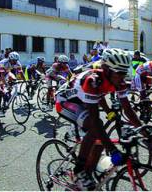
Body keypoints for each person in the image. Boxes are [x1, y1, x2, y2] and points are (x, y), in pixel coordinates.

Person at [55, 48, 141, 190]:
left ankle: (87, 174)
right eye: (119, 73)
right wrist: (113, 151)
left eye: (124, 72)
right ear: (106, 69)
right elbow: (94, 121)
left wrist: (144, 130)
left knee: (100, 141)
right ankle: (79, 170)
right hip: (65, 102)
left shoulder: (118, 81)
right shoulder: (92, 81)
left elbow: (128, 110)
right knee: (97, 127)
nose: (122, 77)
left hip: (84, 99)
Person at [0, 51, 24, 117]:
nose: (15, 62)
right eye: (14, 60)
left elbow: (20, 72)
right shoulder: (3, 63)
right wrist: (6, 85)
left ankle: (7, 98)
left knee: (13, 80)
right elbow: (2, 76)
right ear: (10, 59)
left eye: (16, 60)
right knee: (1, 89)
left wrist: (26, 81)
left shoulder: (17, 63)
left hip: (7, 73)